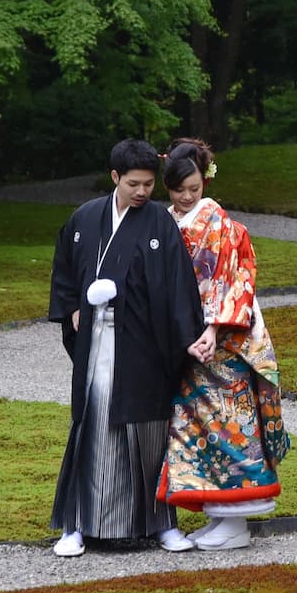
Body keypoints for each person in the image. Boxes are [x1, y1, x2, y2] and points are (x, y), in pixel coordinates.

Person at [46, 138, 207, 557]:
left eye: (149, 185)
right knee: (94, 422)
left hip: (146, 344)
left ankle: (161, 524)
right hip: (99, 338)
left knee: (149, 431)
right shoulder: (85, 218)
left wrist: (187, 339)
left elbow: (177, 286)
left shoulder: (158, 222)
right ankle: (77, 524)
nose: (142, 192)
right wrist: (73, 310)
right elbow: (64, 269)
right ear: (115, 177)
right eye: (134, 183)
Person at [156, 138, 288, 550]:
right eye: (180, 190)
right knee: (199, 426)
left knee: (231, 423)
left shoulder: (214, 219)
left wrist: (212, 330)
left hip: (224, 340)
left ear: (204, 180)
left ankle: (237, 522)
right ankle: (218, 515)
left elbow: (230, 280)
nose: (187, 196)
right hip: (188, 339)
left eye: (194, 188)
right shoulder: (166, 219)